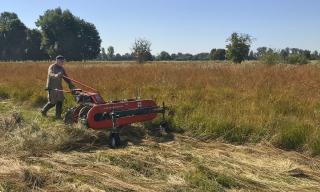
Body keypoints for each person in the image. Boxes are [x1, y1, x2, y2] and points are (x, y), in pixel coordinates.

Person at [41, 55, 76, 119]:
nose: (62, 63)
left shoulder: (62, 69)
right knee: (52, 102)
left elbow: (66, 78)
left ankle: (58, 116)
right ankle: (43, 111)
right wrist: (56, 75)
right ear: (57, 61)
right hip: (51, 87)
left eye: (63, 61)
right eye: (61, 61)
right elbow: (50, 73)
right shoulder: (52, 67)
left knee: (60, 101)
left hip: (59, 87)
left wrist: (71, 85)